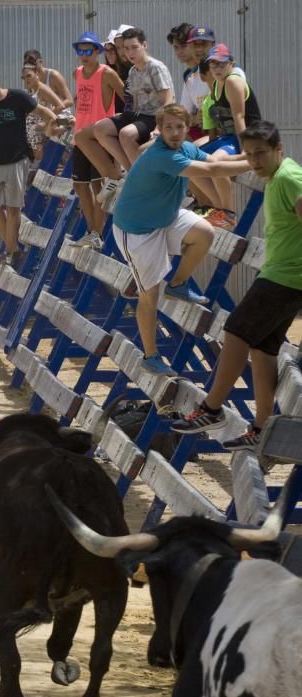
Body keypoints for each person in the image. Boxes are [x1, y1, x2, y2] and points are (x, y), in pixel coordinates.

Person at [171, 121, 302, 449]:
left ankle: (211, 408)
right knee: (262, 348)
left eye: (261, 153)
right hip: (281, 273)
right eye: (250, 154)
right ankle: (261, 428)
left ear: (279, 151)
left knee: (236, 331)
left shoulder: (288, 178)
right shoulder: (275, 174)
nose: (255, 161)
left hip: (286, 277)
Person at [110, 104, 251, 376]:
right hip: (138, 230)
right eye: (169, 127)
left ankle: (178, 283)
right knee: (149, 295)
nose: (174, 132)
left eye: (179, 127)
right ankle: (150, 356)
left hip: (166, 217)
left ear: (188, 128)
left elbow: (212, 163)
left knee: (204, 232)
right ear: (159, 130)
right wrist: (259, 161)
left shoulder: (185, 149)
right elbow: (212, 172)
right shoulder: (162, 156)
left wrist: (249, 156)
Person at [0, 66, 57, 263]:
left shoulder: (17, 97)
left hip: (17, 160)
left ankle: (11, 250)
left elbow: (43, 111)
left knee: (13, 207)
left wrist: (55, 124)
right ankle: (13, 247)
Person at [84, 28, 175, 207]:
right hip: (136, 114)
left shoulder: (156, 67)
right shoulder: (133, 71)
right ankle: (132, 173)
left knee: (126, 134)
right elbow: (132, 103)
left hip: (153, 117)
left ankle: (142, 180)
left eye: (134, 47)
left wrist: (159, 127)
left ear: (144, 45)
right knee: (99, 129)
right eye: (126, 49)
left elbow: (169, 99)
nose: (130, 53)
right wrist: (121, 117)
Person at [197, 43, 262, 231]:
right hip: (229, 137)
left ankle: (228, 212)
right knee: (187, 158)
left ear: (231, 64)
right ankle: (219, 210)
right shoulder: (217, 83)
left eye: (221, 64)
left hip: (248, 137)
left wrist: (245, 151)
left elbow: (239, 117)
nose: (216, 68)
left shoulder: (233, 81)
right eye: (213, 65)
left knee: (217, 162)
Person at [68, 31, 122, 249]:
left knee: (99, 187)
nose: (84, 54)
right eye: (80, 50)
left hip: (99, 139)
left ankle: (97, 234)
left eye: (88, 50)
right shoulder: (77, 73)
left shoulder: (106, 73)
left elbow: (126, 96)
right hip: (80, 138)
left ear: (97, 52)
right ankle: (91, 232)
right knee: (80, 186)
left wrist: (120, 125)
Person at [21, 62, 65, 167]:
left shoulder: (43, 89)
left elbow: (60, 106)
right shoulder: (30, 90)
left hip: (43, 130)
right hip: (33, 133)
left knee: (44, 161)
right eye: (23, 77)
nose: (26, 79)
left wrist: (45, 123)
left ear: (36, 74)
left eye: (29, 76)